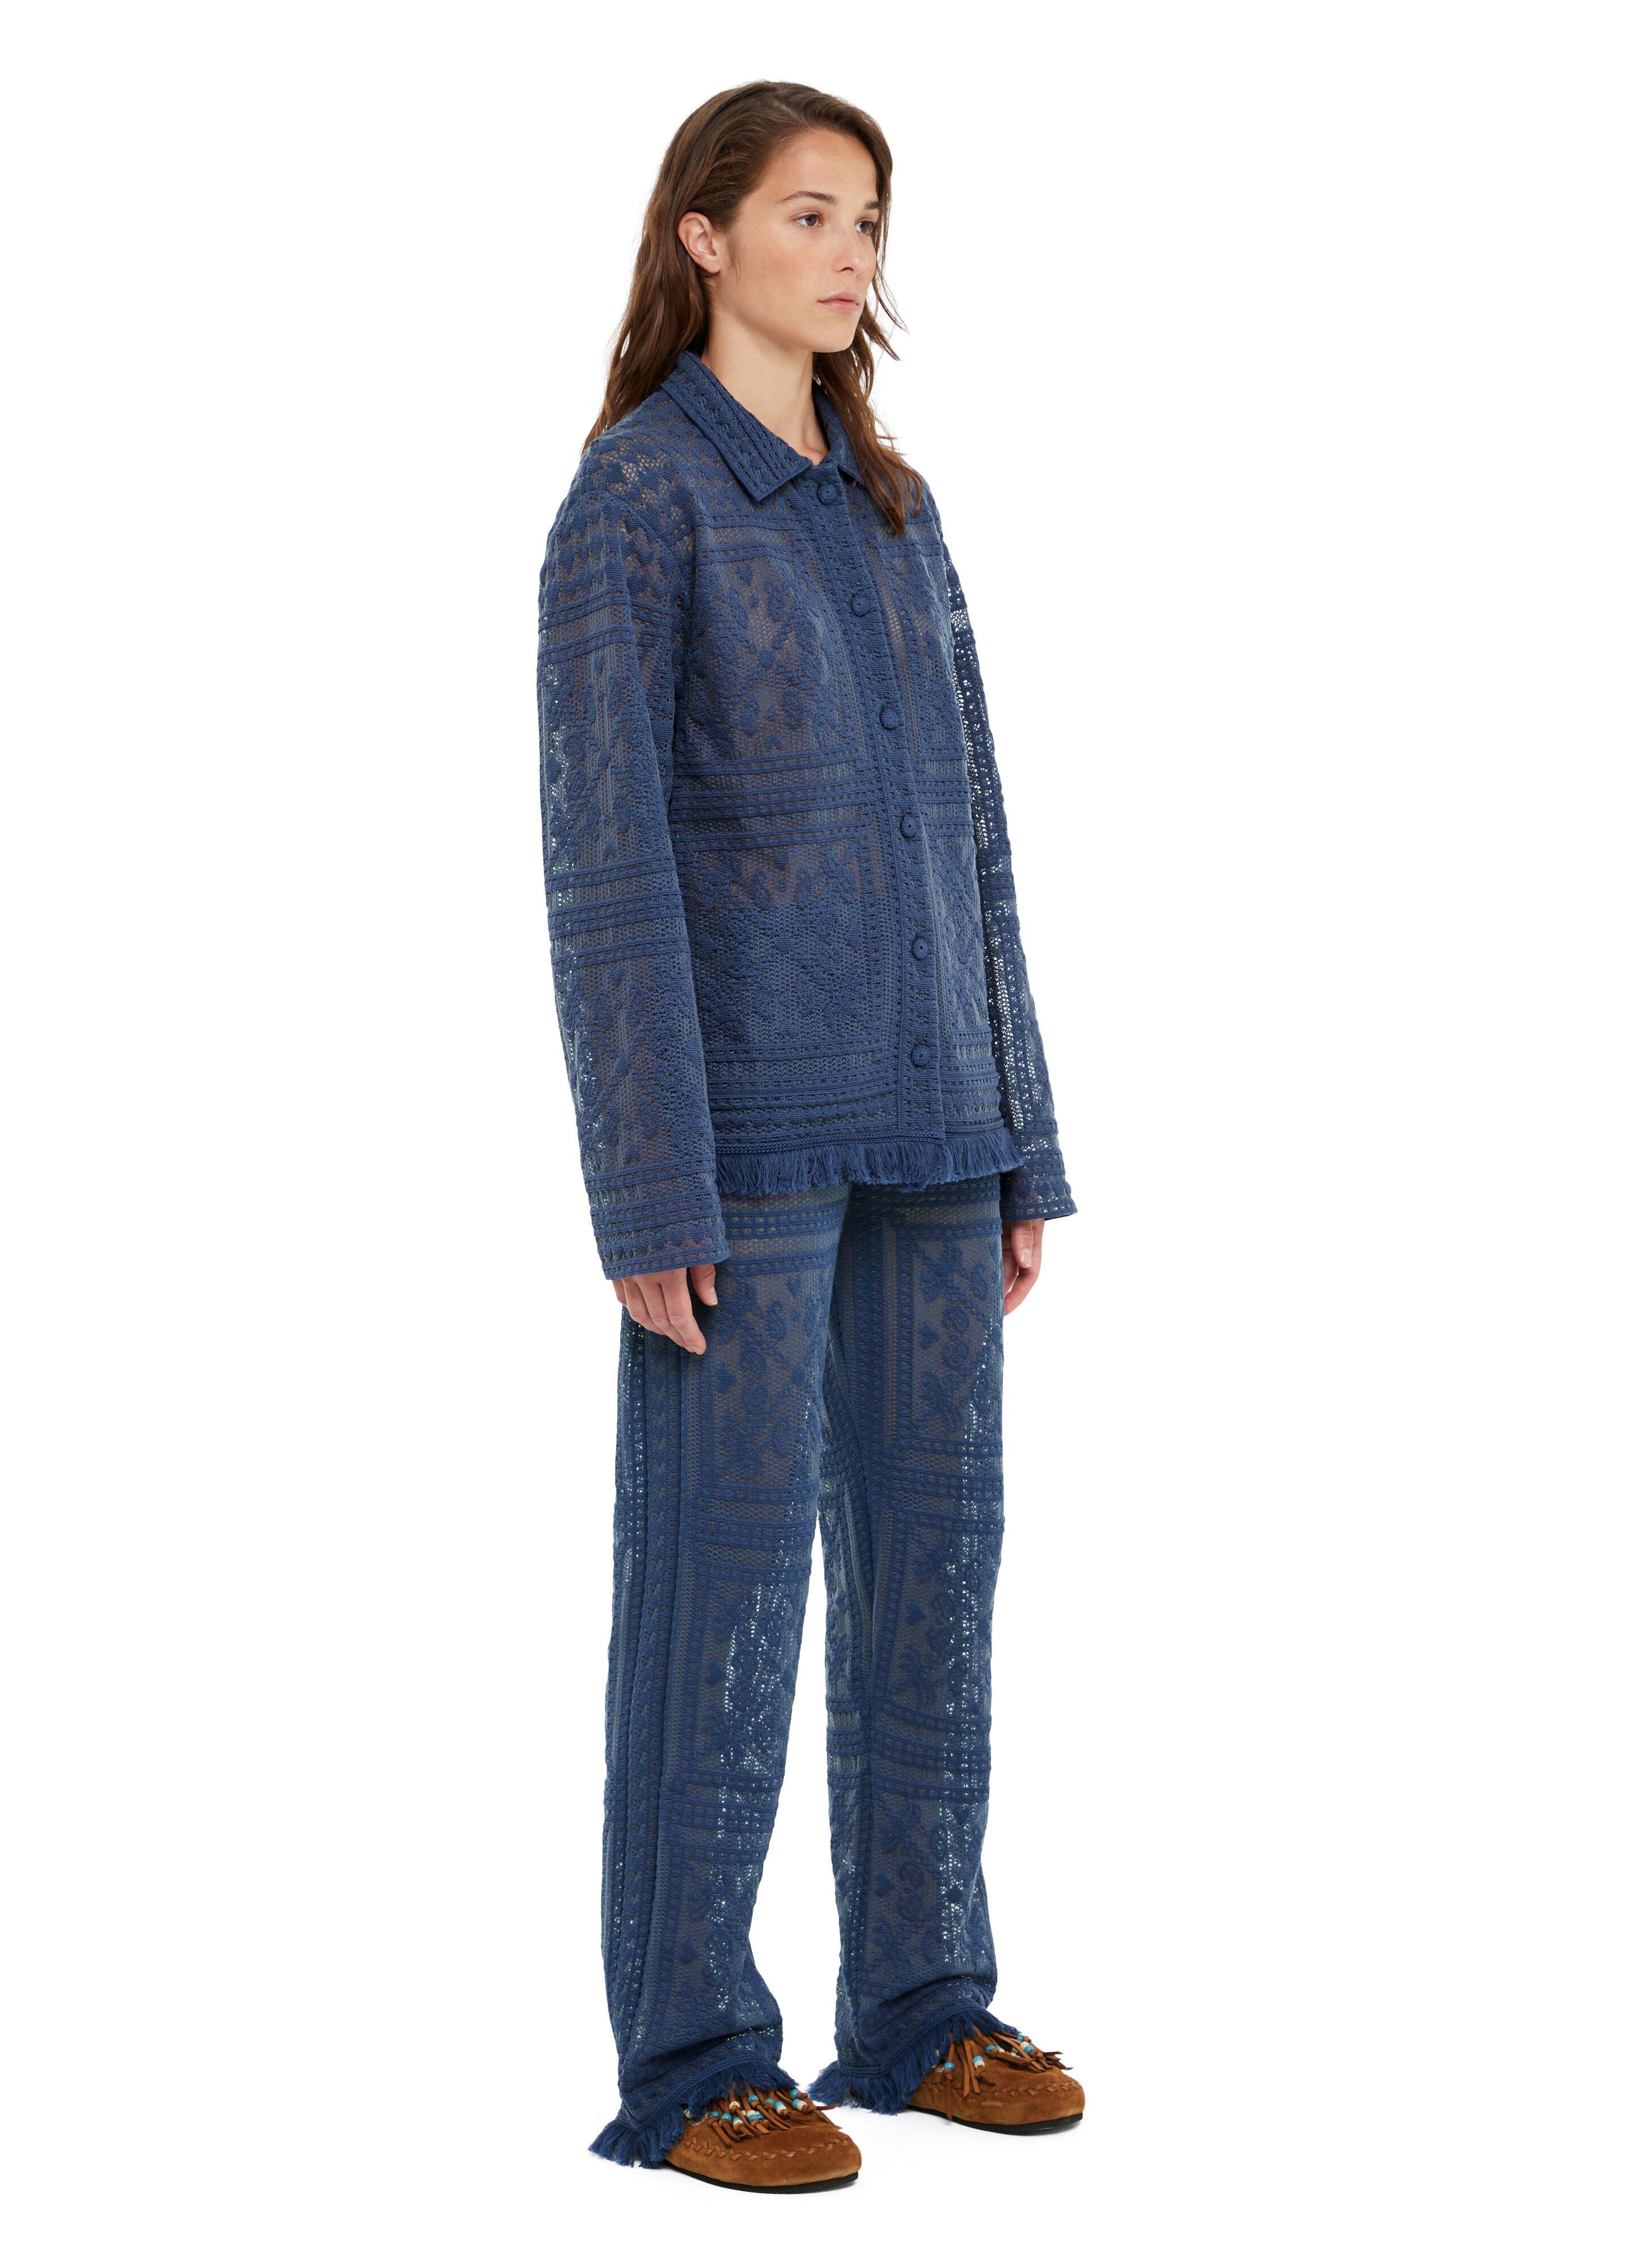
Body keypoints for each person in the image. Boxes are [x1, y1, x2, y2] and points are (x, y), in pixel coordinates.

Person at [536, 80, 1084, 2194]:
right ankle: (695, 2060)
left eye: (868, 221)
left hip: (938, 1126)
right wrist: (645, 1183)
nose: (851, 254)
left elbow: (978, 834)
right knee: (724, 1580)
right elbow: (605, 871)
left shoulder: (892, 507)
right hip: (744, 1146)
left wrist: (1022, 1134)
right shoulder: (634, 503)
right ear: (704, 238)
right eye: (807, 215)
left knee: (938, 1567)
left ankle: (923, 2009)